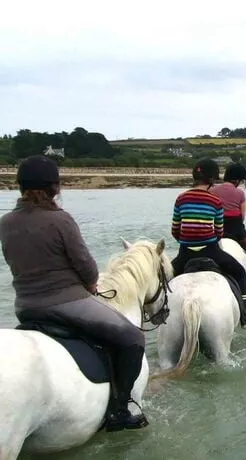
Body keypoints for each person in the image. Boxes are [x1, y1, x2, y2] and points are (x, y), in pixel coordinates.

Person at [0, 155, 148, 432]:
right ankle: (119, 411)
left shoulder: (6, 222)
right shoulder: (61, 220)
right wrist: (91, 285)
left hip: (26, 307)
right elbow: (87, 268)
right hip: (67, 303)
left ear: (20, 187)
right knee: (132, 338)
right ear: (54, 188)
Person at [171, 158, 246, 328]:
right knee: (239, 272)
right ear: (212, 179)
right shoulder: (215, 201)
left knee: (163, 277)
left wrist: (186, 241)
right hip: (210, 251)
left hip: (185, 253)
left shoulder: (181, 199)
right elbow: (219, 231)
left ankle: (158, 312)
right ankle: (245, 314)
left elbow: (175, 229)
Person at [209, 162, 246, 293]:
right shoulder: (239, 193)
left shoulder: (212, 191)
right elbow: (243, 216)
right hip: (236, 231)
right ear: (238, 180)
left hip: (216, 231)